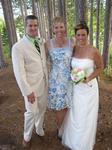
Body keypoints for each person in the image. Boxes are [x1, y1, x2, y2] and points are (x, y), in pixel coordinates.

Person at [60, 22, 103, 150]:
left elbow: (101, 67)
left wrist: (89, 78)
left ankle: (83, 144)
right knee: (76, 114)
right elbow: (70, 66)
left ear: (87, 35)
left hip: (89, 88)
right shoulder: (74, 49)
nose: (81, 37)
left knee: (86, 116)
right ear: (75, 36)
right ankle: (73, 140)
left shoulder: (93, 50)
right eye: (78, 35)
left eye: (83, 35)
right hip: (77, 88)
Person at [12, 15, 48, 148]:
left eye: (35, 25)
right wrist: (27, 91)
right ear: (25, 27)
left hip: (44, 84)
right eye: (30, 25)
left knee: (42, 110)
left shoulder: (40, 42)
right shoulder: (18, 47)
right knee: (31, 112)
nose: (33, 28)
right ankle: (27, 136)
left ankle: (39, 129)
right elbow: (19, 73)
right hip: (31, 88)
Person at [45, 16, 74, 134]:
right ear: (53, 29)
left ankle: (68, 130)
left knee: (68, 105)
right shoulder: (48, 44)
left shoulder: (72, 41)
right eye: (56, 27)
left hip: (69, 79)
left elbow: (77, 59)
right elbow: (42, 62)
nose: (59, 30)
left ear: (65, 28)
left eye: (61, 27)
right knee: (59, 108)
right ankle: (60, 131)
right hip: (56, 81)